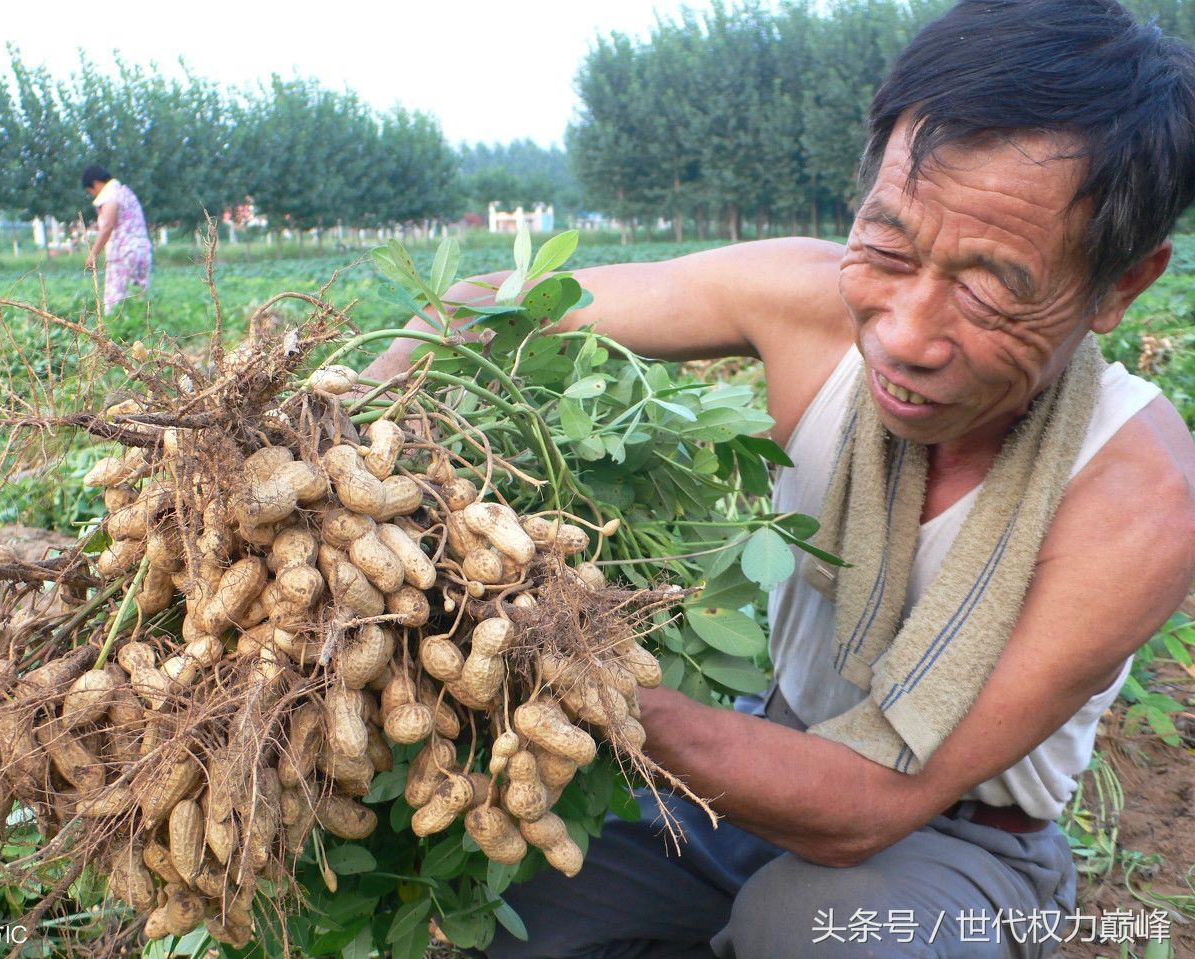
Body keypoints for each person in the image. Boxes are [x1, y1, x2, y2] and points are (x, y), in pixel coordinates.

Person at [367, 1, 1195, 955]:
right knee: (516, 899)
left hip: (962, 841)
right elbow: (487, 310)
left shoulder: (1138, 498)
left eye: (990, 286)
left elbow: (872, 803)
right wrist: (322, 438)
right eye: (888, 247)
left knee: (815, 929)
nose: (906, 334)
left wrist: (577, 661)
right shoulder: (802, 304)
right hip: (754, 771)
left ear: (1123, 285)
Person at [81, 164, 152, 311]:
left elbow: (108, 226)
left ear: (96, 183)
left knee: (116, 304)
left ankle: (118, 333)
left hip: (124, 254)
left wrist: (93, 254)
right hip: (140, 252)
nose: (93, 195)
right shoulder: (124, 192)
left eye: (91, 191)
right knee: (138, 302)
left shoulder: (110, 194)